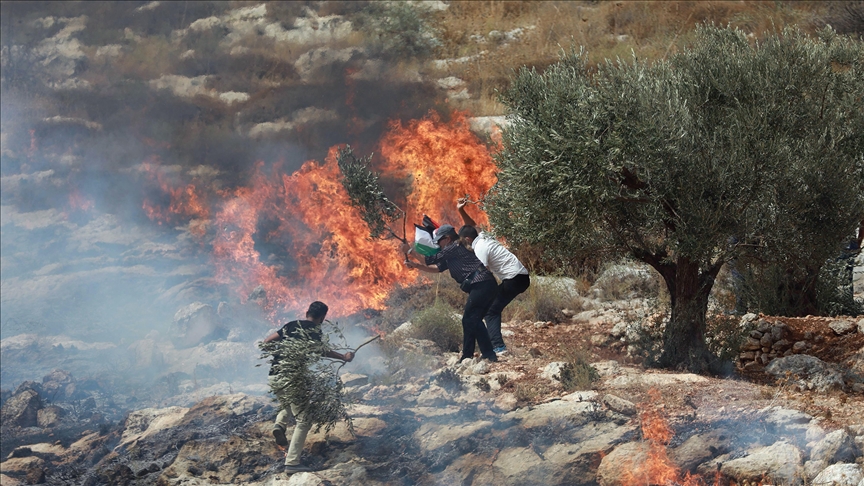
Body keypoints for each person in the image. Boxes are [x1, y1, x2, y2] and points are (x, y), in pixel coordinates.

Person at [262, 301, 354, 473]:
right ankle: (292, 463)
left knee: (288, 402)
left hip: (274, 376)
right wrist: (344, 356)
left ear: (306, 313)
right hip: (291, 378)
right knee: (304, 420)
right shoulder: (314, 330)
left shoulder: (291, 325)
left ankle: (279, 425)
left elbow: (267, 341)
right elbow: (321, 351)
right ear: (322, 318)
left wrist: (280, 354)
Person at [401, 224, 499, 362]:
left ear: (447, 239)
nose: (438, 245)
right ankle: (483, 354)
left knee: (469, 319)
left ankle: (474, 355)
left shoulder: (454, 247)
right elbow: (437, 268)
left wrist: (410, 250)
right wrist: (416, 266)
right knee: (472, 319)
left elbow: (428, 260)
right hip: (485, 284)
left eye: (439, 241)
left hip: (482, 284)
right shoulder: (452, 252)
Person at [457, 199, 530, 354]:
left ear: (468, 240)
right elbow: (472, 226)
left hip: (514, 279)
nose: (464, 246)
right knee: (492, 308)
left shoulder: (480, 249)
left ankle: (498, 347)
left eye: (463, 243)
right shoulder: (483, 237)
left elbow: (481, 273)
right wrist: (461, 210)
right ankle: (493, 344)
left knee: (490, 311)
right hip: (519, 276)